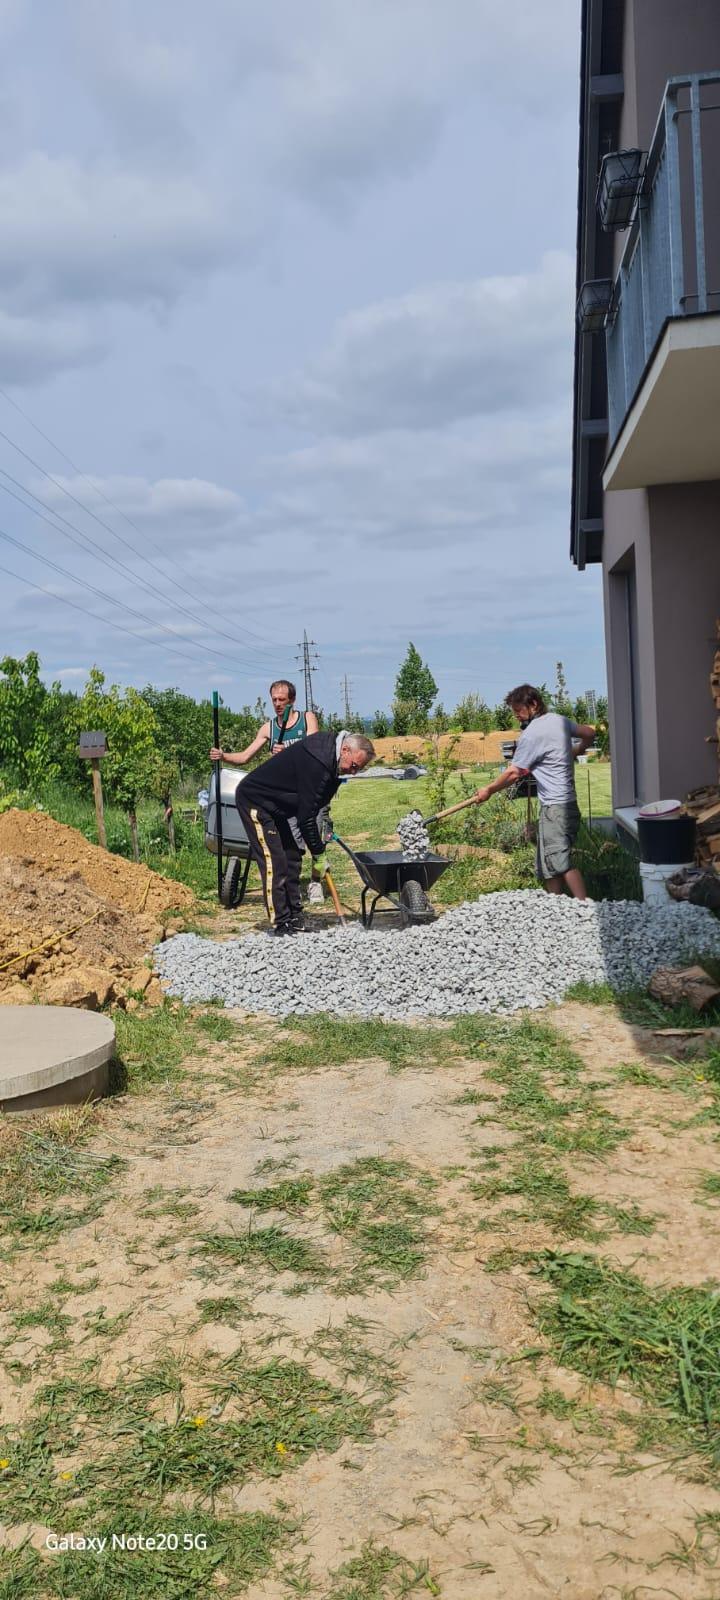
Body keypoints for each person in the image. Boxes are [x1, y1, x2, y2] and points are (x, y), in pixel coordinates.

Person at [233, 730, 375, 935]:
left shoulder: (333, 760)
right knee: (275, 862)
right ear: (345, 750)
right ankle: (281, 923)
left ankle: (295, 917)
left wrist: (318, 849)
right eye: (354, 766)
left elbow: (315, 806)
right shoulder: (318, 762)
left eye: (358, 769)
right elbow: (305, 818)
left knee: (292, 857)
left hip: (278, 806)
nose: (353, 772)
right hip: (256, 801)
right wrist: (318, 853)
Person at [472, 685, 596, 899]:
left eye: (518, 710)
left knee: (560, 861)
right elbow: (589, 733)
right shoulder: (559, 721)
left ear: (533, 705)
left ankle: (584, 906)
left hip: (556, 808)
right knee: (547, 862)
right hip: (565, 804)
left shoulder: (532, 734)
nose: (516, 716)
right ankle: (554, 904)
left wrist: (489, 790)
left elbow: (513, 773)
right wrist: (576, 750)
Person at [209, 679, 327, 903]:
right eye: (274, 700)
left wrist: (289, 752)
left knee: (315, 841)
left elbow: (314, 749)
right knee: (292, 843)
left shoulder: (307, 719)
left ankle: (315, 882)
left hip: (312, 792)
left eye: (282, 699)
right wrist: (223, 756)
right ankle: (292, 888)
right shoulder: (268, 728)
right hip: (288, 797)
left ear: (292, 700)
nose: (278, 704)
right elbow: (245, 757)